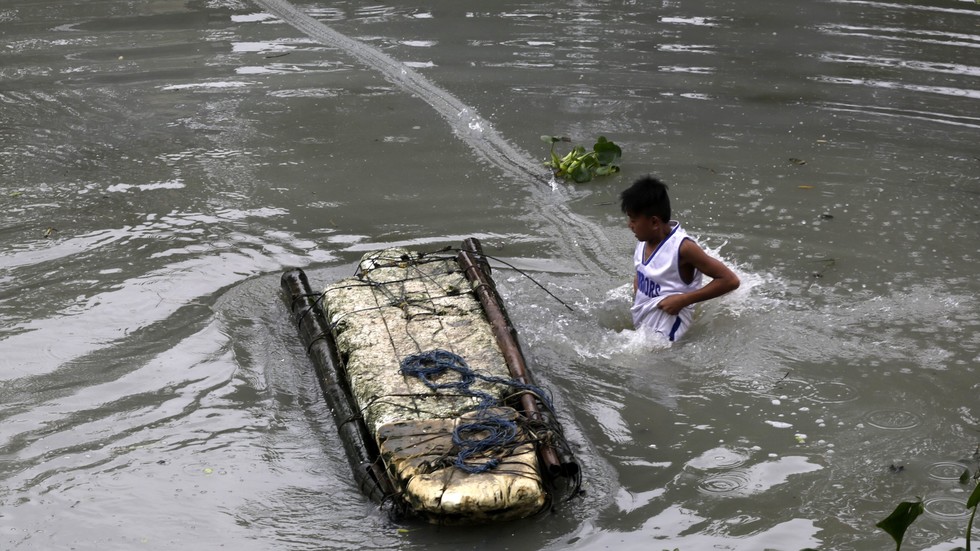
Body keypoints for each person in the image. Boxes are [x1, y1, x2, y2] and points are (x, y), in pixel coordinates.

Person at [620, 176, 740, 342]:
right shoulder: (643, 240)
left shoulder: (683, 248)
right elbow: (640, 274)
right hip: (644, 325)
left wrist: (684, 300)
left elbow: (730, 280)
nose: (629, 225)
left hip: (669, 334)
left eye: (633, 220)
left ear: (654, 222)